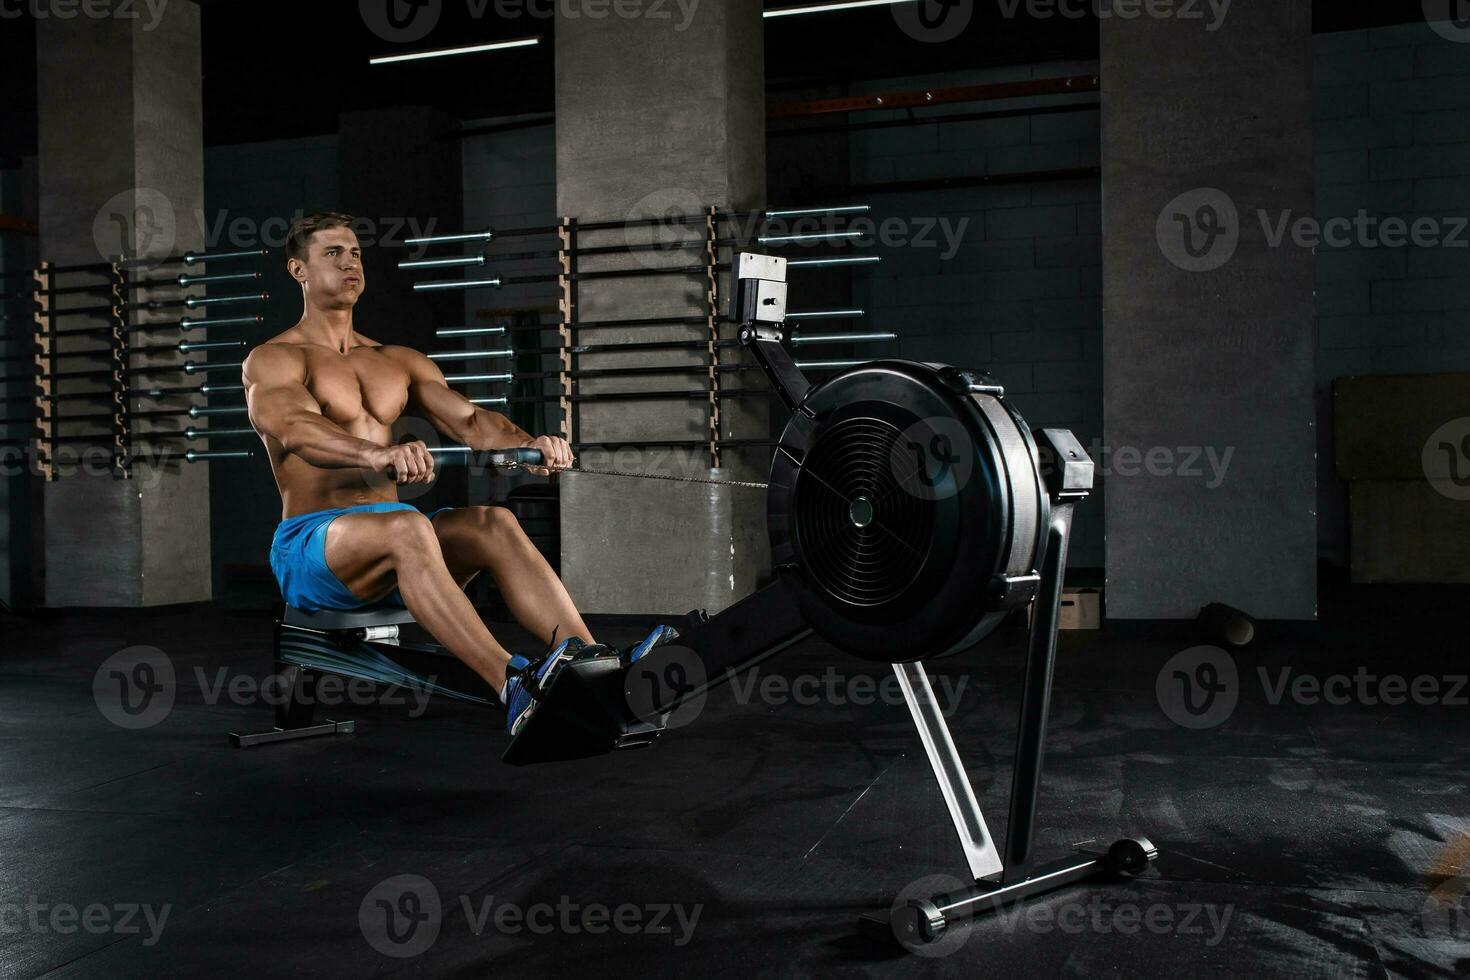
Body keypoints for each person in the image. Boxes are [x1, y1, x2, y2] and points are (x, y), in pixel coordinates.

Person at [242, 212, 673, 736]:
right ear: (298, 269)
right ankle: (512, 686)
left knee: (491, 522)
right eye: (332, 253)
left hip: (397, 543)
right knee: (407, 524)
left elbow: (470, 420)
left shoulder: (395, 359)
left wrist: (530, 443)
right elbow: (293, 426)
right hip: (312, 549)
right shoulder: (274, 359)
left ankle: (594, 666)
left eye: (355, 253)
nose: (349, 263)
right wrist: (373, 454)